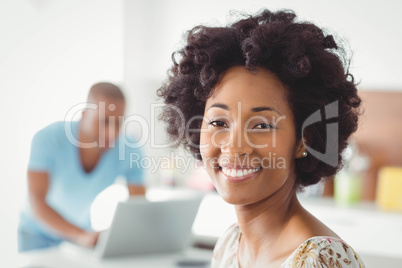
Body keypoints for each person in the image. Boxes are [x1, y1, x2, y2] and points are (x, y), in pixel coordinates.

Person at [158, 9, 365, 268]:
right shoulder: (230, 245)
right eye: (219, 122)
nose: (233, 146)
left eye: (261, 126)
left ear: (304, 140)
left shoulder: (318, 260)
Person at [18, 82, 146, 252]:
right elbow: (36, 200)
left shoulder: (130, 150)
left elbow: (138, 207)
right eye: (104, 121)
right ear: (85, 115)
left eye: (118, 123)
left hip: (81, 232)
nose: (111, 133)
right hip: (36, 234)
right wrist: (82, 236)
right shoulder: (48, 139)